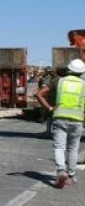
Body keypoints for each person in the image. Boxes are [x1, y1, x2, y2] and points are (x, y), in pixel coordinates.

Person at [37, 58, 85, 188]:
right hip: (77, 119)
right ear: (82, 72)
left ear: (69, 69)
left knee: (59, 147)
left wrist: (49, 108)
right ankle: (72, 175)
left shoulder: (59, 81)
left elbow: (39, 94)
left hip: (60, 117)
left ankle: (61, 170)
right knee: (73, 148)